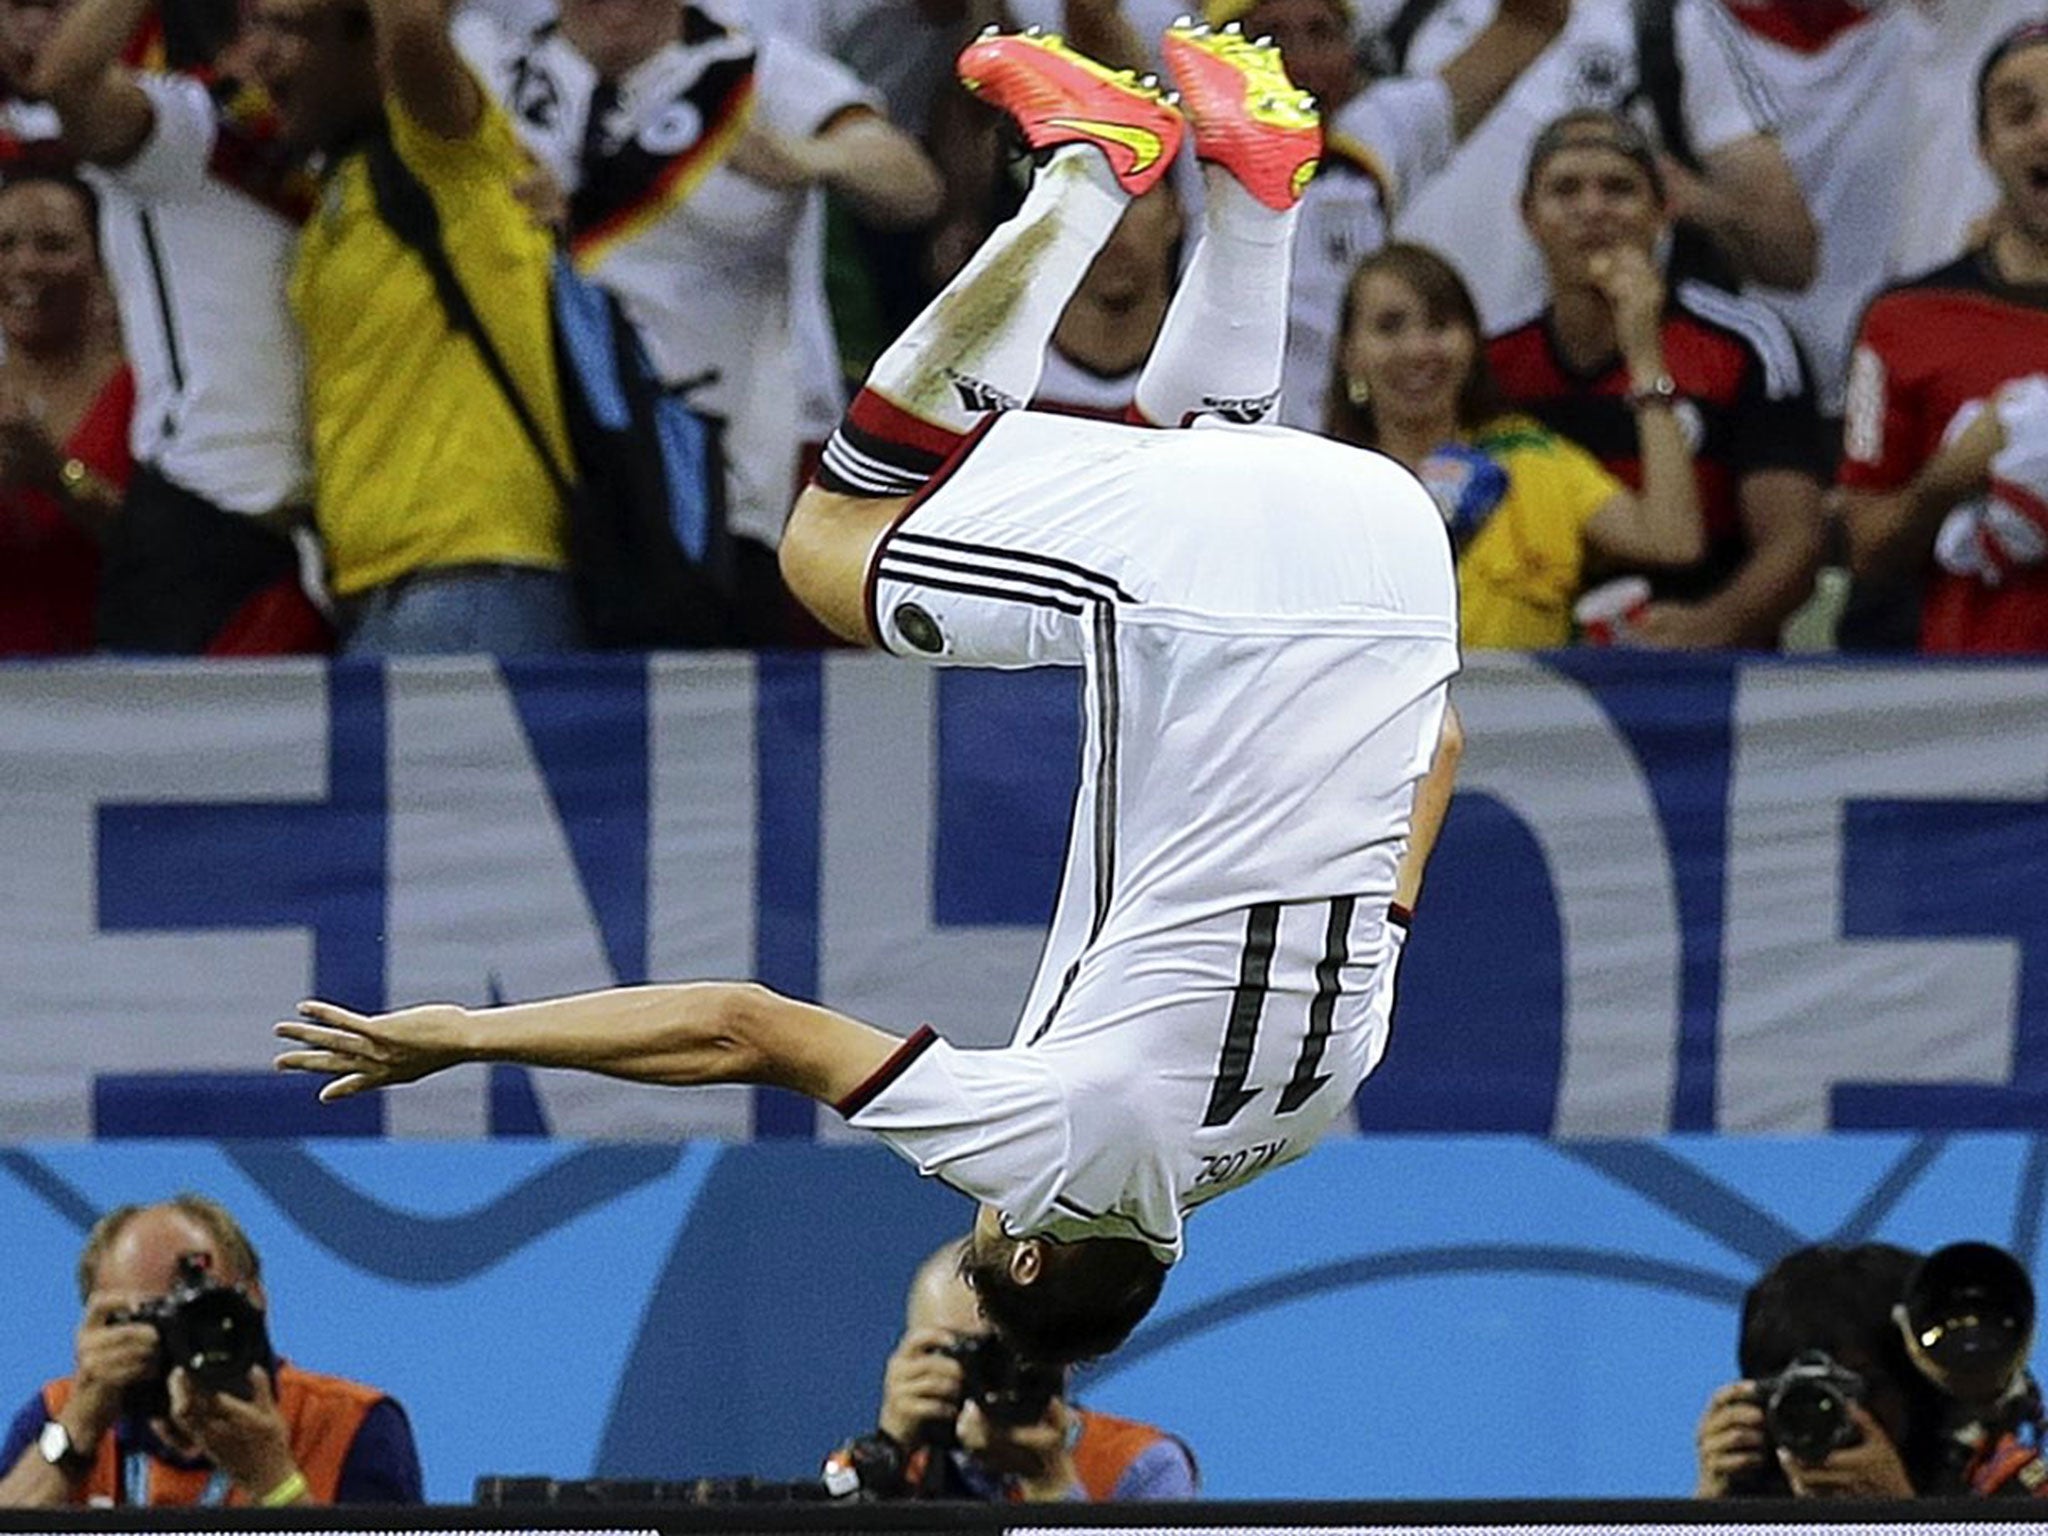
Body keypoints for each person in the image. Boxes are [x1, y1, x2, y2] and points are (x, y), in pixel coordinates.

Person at [276, 23, 1463, 1368]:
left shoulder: (1310, 1105)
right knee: (831, 541)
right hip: (1232, 599)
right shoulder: (1058, 1152)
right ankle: (1085, 173)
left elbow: (1439, 758)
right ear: (1021, 1243)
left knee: (1187, 492)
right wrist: (467, 1038)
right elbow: (742, 1028)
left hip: (1388, 559)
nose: (957, 1191)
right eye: (966, 1221)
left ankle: (1251, 199)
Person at [456, 0, 943, 643]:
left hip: (713, 488)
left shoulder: (752, 70)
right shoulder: (489, 62)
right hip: (531, 482)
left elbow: (915, 187)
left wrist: (811, 159)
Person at [242, 0, 579, 655]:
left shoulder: (443, 152)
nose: (259, 55)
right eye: (255, 26)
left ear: (367, 45)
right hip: (375, 593)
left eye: (290, 29)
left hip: (473, 577)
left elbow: (416, 25)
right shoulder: (342, 190)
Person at [33, 0, 330, 656]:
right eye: (256, 24)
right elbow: (65, 81)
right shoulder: (185, 127)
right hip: (198, 522)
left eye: (292, 27)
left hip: (314, 544)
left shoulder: (335, 159)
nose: (274, 49)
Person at [1489, 109, 1827, 648]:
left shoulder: (1747, 345)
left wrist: (1716, 625)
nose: (1592, 209)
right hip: (1539, 679)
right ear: (1528, 215)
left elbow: (1796, 539)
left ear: (1662, 210)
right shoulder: (1494, 364)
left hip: (1712, 674)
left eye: (1619, 189)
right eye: (1566, 191)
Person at [1326, 240, 1702, 646]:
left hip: (1521, 708)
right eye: (1389, 327)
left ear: (1472, 342)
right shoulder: (1323, 486)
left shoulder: (1528, 454)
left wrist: (1644, 358)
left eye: (1439, 325)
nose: (1418, 349)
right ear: (1349, 354)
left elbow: (1672, 541)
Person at [1388, 0, 1817, 335]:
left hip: (1603, 377)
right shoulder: (1403, 16)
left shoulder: (1669, 22)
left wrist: (1690, 199)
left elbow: (1792, 255)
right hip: (1428, 367)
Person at [1838, 20, 2048, 655]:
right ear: (1983, 145)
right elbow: (1869, 549)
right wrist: (1954, 476)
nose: (2046, 131)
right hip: (1963, 708)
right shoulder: (1904, 319)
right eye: (2020, 114)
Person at [0, 1195, 422, 1507]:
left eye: (202, 1311)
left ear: (254, 1299)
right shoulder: (58, 1414)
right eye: (152, 1317)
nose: (178, 1336)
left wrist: (273, 1480)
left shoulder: (350, 1424)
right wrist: (79, 1425)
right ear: (99, 1325)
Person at [831, 1240, 1198, 1500]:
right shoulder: (881, 1468)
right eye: (959, 1351)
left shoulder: (1139, 1464)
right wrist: (887, 1454)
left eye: (1007, 1350)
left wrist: (1050, 1486)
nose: (987, 1372)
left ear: (1060, 1353)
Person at [0, 171, 130, 657]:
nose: (24, 265)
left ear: (101, 263)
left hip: (110, 700)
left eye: (53, 245)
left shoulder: (146, 395)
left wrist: (58, 477)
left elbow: (166, 554)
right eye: (5, 244)